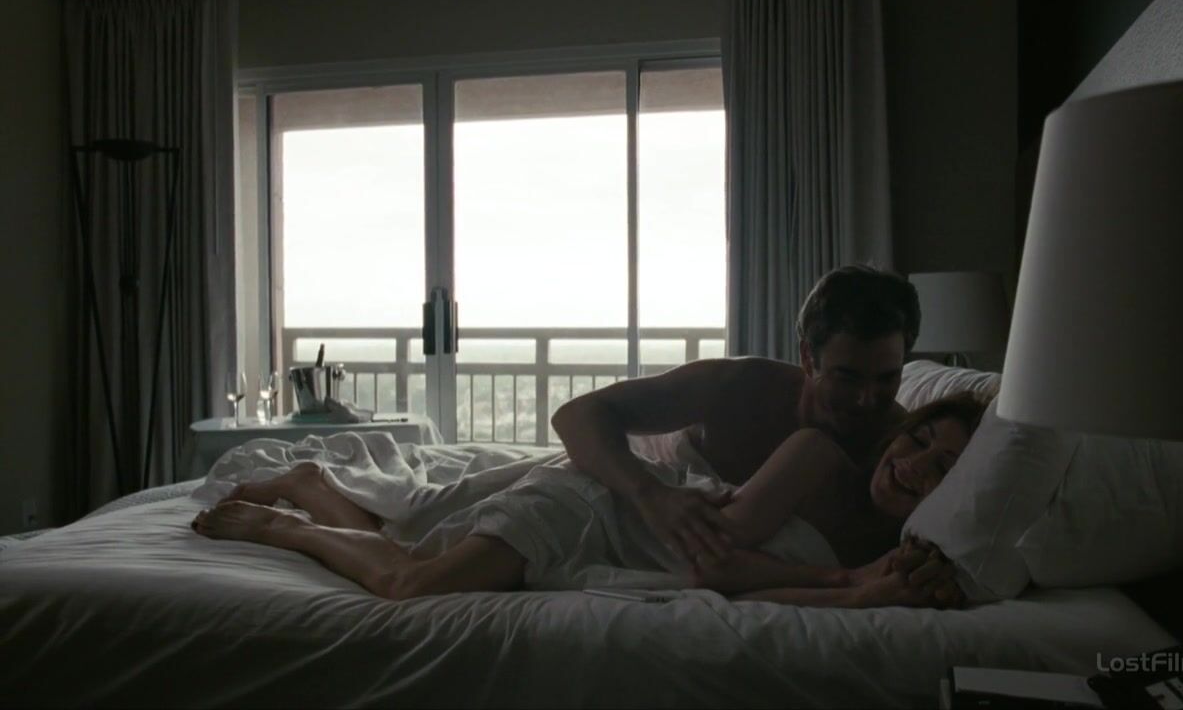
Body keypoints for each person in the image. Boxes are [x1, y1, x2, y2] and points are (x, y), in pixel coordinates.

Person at [190, 392, 987, 608]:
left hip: (608, 542)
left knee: (415, 550)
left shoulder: (885, 549)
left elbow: (748, 587)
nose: (914, 465)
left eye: (943, 466)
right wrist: (844, 584)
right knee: (411, 581)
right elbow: (716, 560)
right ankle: (279, 525)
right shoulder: (818, 457)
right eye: (919, 440)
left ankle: (313, 488)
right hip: (590, 510)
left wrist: (858, 584)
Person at [552, 264, 921, 567]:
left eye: (887, 378)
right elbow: (576, 415)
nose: (867, 399)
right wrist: (651, 495)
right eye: (847, 377)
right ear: (808, 358)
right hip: (630, 482)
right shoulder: (740, 386)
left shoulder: (901, 449)